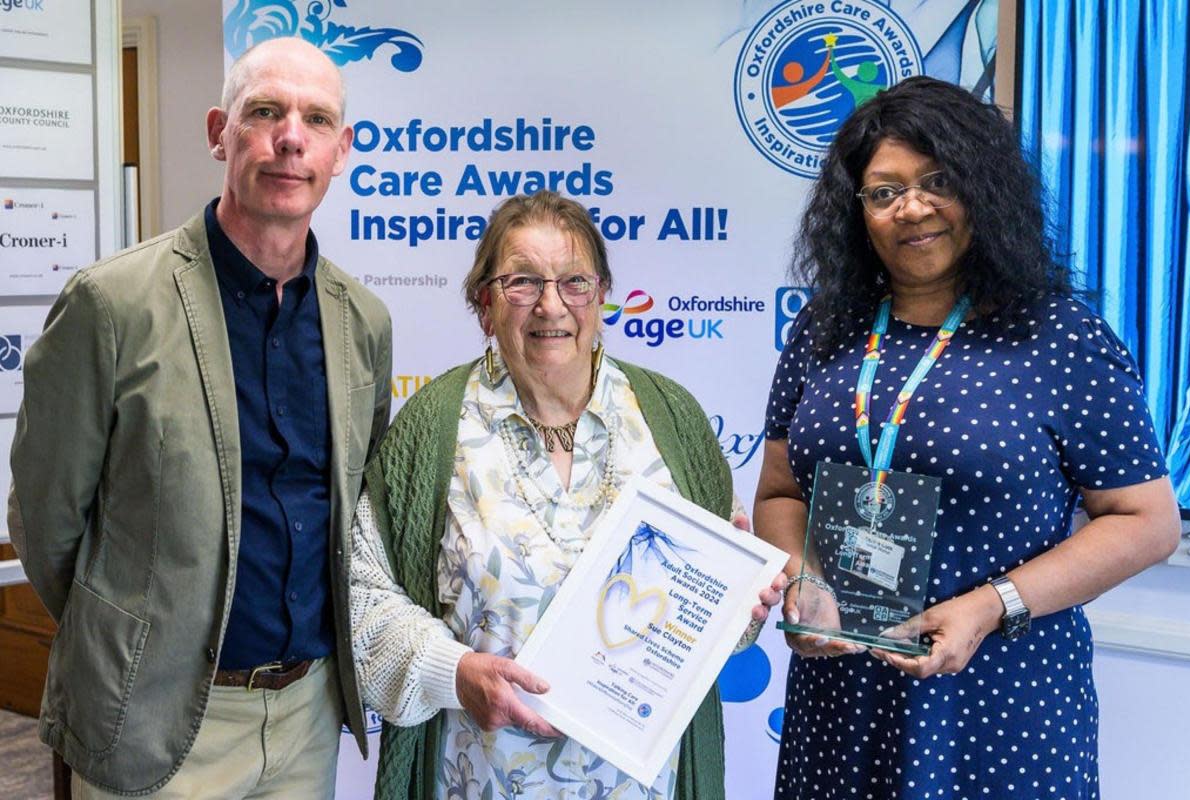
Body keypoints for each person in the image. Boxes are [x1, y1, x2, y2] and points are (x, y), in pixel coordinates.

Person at [754, 76, 1180, 799]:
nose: (912, 208)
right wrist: (804, 580)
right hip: (842, 700)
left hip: (1002, 700)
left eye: (937, 181)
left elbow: (1147, 523)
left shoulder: (1060, 337)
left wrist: (990, 606)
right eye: (884, 192)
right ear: (857, 214)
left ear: (982, 188)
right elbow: (779, 492)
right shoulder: (824, 329)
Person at [7, 37, 392, 799]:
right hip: (156, 720)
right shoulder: (111, 304)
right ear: (220, 131)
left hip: (307, 717)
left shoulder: (363, 323)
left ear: (341, 150)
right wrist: (132, 640)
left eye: (316, 119)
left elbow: (353, 516)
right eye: (265, 111)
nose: (290, 137)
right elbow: (46, 523)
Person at [350, 190, 783, 799]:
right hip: (480, 777)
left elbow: (716, 624)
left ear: (601, 294)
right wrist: (456, 673)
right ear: (485, 303)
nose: (551, 305)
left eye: (574, 281)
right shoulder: (433, 427)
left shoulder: (670, 419)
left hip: (643, 786)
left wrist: (743, 606)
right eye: (522, 281)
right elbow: (364, 596)